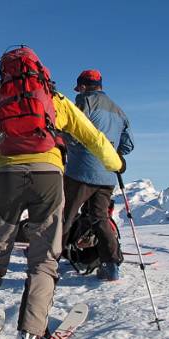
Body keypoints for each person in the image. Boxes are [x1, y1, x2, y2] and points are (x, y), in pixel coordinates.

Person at [0, 47, 124, 339]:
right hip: (48, 177)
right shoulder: (54, 100)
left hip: (6, 178)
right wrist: (115, 163)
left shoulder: (1, 104)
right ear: (41, 72)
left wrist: (3, 165)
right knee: (43, 259)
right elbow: (93, 138)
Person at [63, 69, 133, 282]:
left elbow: (72, 133)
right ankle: (111, 266)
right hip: (108, 174)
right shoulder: (119, 111)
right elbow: (128, 145)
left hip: (80, 171)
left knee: (65, 215)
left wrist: (65, 143)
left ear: (83, 86)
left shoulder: (84, 103)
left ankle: (47, 260)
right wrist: (111, 154)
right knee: (100, 217)